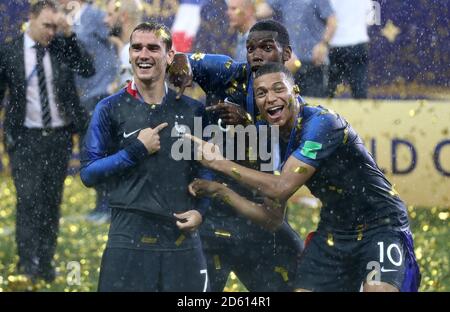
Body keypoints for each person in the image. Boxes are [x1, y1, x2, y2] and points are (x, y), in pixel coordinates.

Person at [187, 63, 421, 292]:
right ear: (257, 104)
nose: (270, 98)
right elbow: (272, 219)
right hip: (333, 231)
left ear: (295, 91)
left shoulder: (322, 123)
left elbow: (282, 187)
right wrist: (221, 191)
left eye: (279, 89)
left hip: (380, 226)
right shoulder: (271, 138)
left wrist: (218, 163)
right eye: (261, 93)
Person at [169, 20, 304, 291]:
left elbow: (274, 171)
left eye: (267, 48)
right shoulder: (228, 71)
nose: (256, 54)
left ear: (286, 55)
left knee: (300, 273)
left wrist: (249, 128)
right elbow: (182, 59)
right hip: (210, 209)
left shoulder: (295, 106)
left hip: (259, 211)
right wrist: (181, 72)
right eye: (251, 48)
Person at [80, 22, 210, 292]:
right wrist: (135, 151)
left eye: (153, 48)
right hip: (128, 238)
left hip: (181, 240)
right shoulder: (109, 108)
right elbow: (89, 173)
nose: (143, 55)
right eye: (137, 48)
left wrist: (201, 211)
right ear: (129, 54)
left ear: (170, 56)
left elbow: (207, 171)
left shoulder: (194, 110)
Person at [0, 0, 94, 282]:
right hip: (25, 138)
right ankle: (28, 263)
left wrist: (70, 35)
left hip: (59, 137)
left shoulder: (62, 47)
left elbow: (88, 69)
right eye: (46, 25)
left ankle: (46, 262)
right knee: (28, 200)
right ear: (31, 19)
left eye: (55, 26)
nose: (50, 32)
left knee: (52, 202)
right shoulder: (9, 51)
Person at [58, 0, 119, 222]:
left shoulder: (94, 15)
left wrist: (112, 78)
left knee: (103, 147)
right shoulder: (67, 17)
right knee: (91, 148)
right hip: (83, 93)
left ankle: (108, 203)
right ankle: (102, 201)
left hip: (100, 90)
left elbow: (115, 40)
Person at [259, 0, 337, 97]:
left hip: (313, 61)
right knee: (290, 104)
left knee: (315, 105)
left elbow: (332, 21)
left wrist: (323, 44)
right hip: (289, 63)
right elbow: (260, 11)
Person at [327, 0, 371, 98]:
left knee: (329, 91)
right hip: (358, 43)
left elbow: (326, 16)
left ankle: (325, 113)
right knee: (359, 89)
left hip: (336, 45)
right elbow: (370, 17)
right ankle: (362, 113)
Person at [104, 0, 144, 88]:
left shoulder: (131, 51)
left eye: (110, 15)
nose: (105, 20)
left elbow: (130, 95)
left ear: (123, 16)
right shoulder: (141, 45)